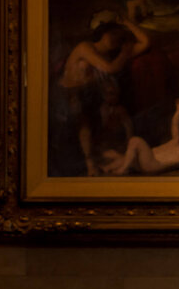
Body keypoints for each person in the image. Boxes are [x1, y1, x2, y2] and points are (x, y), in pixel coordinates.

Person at [59, 13, 152, 175]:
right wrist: (124, 53)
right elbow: (109, 68)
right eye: (113, 33)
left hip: (92, 97)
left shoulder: (113, 56)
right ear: (102, 32)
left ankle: (112, 159)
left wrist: (128, 23)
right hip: (68, 95)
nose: (116, 39)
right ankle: (90, 165)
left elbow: (145, 42)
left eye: (120, 36)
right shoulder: (85, 47)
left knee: (115, 115)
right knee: (84, 121)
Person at [99, 99, 179, 174]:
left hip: (152, 165)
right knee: (116, 155)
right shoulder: (176, 141)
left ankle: (122, 170)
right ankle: (107, 168)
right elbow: (175, 125)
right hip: (145, 160)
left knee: (135, 141)